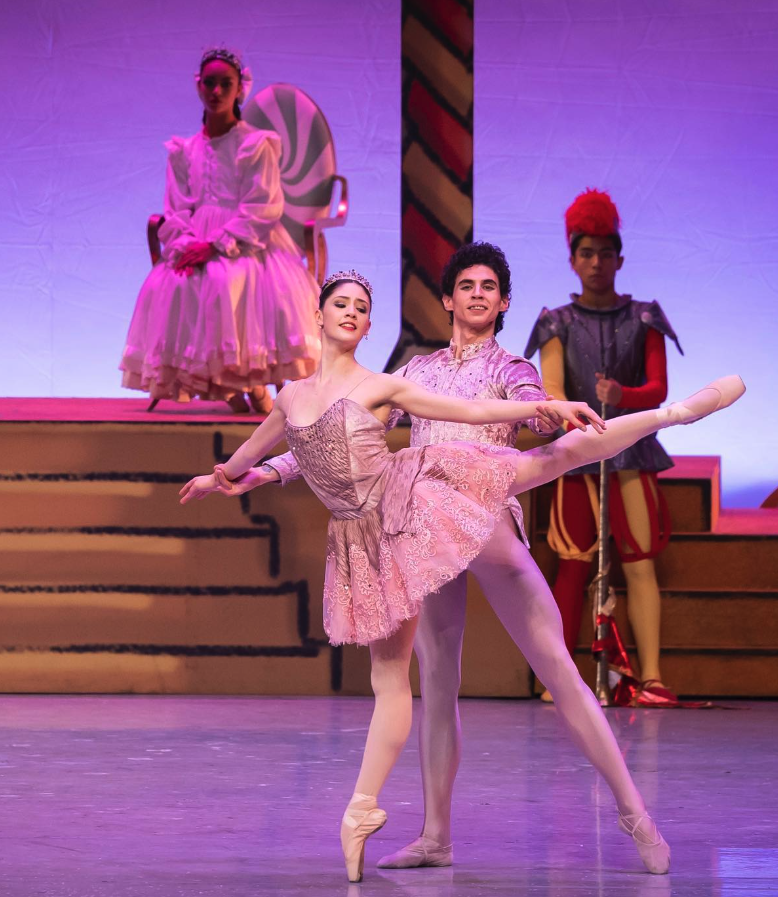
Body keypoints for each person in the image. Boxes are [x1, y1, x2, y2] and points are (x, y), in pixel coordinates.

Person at [179, 268, 745, 882]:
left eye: (489, 287)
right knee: (435, 684)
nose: (477, 295)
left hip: (482, 517)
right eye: (466, 285)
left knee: (557, 665)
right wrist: (264, 472)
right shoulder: (412, 373)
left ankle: (636, 815)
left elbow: (517, 414)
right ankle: (435, 836)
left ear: (503, 302)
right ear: (447, 298)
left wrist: (547, 409)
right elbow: (334, 430)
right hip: (421, 526)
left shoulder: (511, 368)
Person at [215, 242, 559, 870]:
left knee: (409, 677)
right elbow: (264, 447)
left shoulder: (388, 384)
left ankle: (363, 806)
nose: (351, 312)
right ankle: (372, 816)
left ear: (370, 325)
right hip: (355, 542)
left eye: (362, 307)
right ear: (319, 316)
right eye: (340, 303)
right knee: (392, 680)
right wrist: (230, 477)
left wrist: (541, 405)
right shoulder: (293, 396)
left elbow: (476, 408)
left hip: (408, 515)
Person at [525, 189, 683, 706]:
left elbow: (657, 391)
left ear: (620, 257)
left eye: (605, 253)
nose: (596, 263)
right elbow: (549, 393)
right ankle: (561, 677)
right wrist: (577, 414)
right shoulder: (555, 323)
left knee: (639, 564)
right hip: (577, 457)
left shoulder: (645, 318)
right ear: (572, 259)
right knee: (572, 564)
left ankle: (652, 675)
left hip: (633, 456)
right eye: (586, 253)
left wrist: (624, 397)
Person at [120, 46, 321, 414]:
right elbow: (176, 205)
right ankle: (223, 385)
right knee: (176, 284)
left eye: (224, 84)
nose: (216, 92)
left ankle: (251, 382)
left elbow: (262, 204)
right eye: (209, 83)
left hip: (248, 242)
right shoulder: (185, 150)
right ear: (199, 87)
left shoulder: (255, 144)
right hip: (195, 236)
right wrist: (186, 243)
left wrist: (217, 245)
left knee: (226, 283)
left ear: (239, 88)